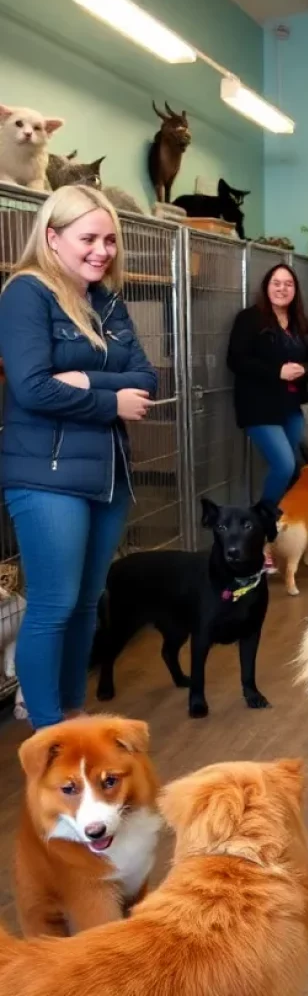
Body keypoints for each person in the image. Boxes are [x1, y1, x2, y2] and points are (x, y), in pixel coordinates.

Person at [0, 185, 157, 730]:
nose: (102, 250)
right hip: (46, 476)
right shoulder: (27, 292)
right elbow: (31, 388)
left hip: (107, 473)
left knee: (87, 603)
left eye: (110, 239)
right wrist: (110, 400)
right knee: (52, 605)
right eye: (88, 237)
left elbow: (147, 379)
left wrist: (88, 378)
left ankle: (73, 713)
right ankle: (49, 731)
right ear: (52, 237)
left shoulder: (107, 300)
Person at [227, 263, 308, 569]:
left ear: (295, 291)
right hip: (258, 407)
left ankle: (284, 531)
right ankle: (260, 533)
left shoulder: (298, 324)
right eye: (276, 283)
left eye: (288, 284)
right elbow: (236, 360)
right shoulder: (250, 319)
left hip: (290, 406)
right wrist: (277, 371)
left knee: (294, 469)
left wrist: (303, 370)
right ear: (266, 287)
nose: (282, 289)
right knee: (284, 465)